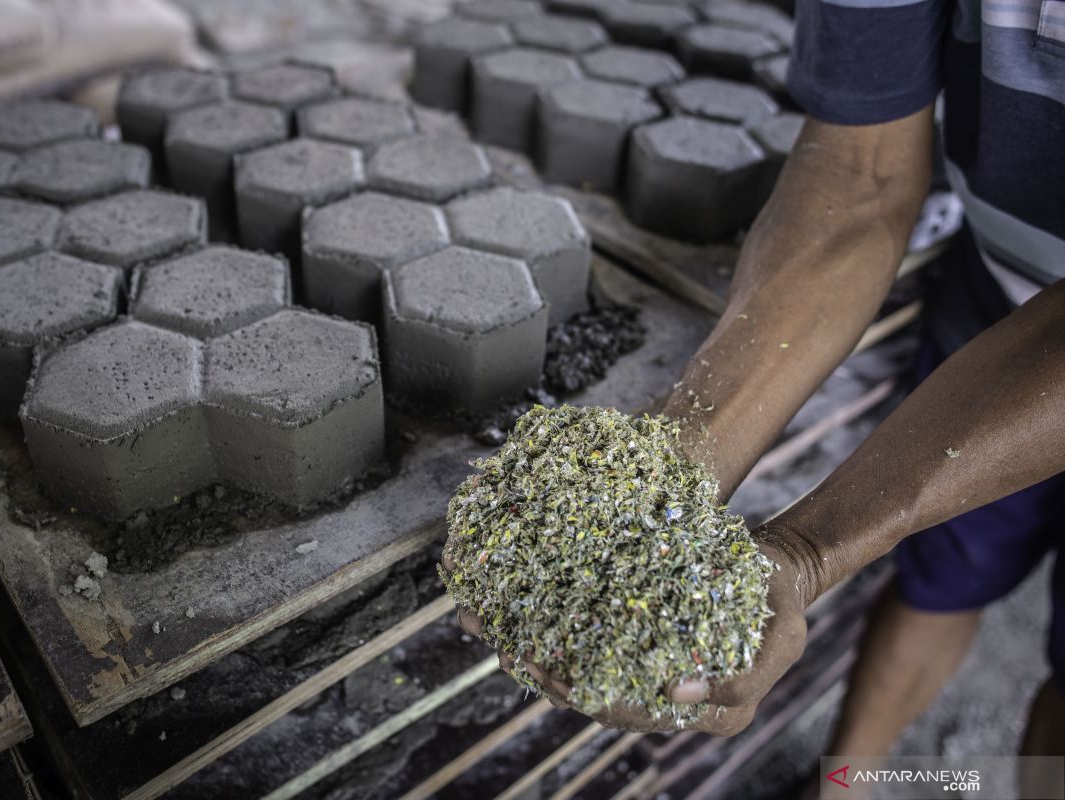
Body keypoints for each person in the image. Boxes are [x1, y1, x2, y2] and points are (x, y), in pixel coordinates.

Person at [445, 0, 1065, 782]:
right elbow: (861, 171)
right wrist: (663, 463)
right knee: (943, 576)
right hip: (995, 285)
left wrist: (809, 552)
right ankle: (847, 786)